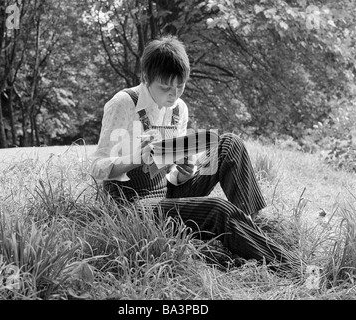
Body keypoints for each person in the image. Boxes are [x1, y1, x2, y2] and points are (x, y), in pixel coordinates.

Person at [91, 35, 300, 271]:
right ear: (146, 78)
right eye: (166, 87)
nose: (174, 94)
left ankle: (255, 229)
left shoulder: (179, 108)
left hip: (166, 193)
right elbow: (98, 166)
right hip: (133, 205)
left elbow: (171, 172)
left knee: (230, 143)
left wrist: (184, 172)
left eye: (180, 86)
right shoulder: (123, 103)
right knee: (218, 209)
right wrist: (136, 158)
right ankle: (296, 269)